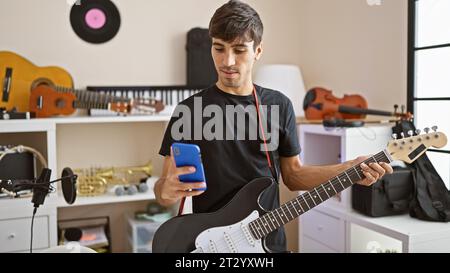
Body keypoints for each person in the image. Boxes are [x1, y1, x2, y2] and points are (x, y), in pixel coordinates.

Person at [154, 0, 393, 252]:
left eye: (239, 50)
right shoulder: (188, 110)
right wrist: (167, 190)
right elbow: (162, 192)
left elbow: (293, 176)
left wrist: (348, 169)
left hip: (267, 242)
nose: (228, 61)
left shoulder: (279, 105)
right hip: (213, 245)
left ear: (258, 50)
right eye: (219, 48)